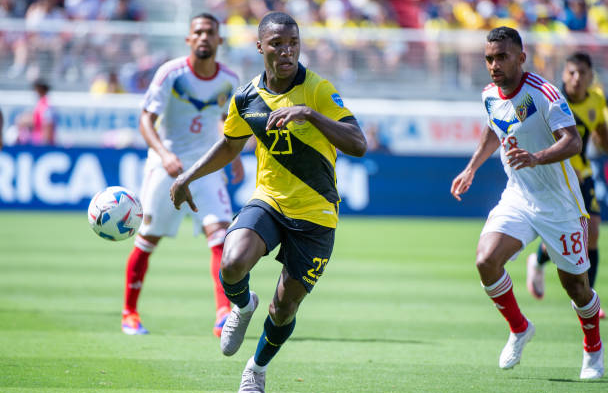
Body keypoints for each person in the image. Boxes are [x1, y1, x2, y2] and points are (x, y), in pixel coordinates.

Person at [170, 11, 366, 393]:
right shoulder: (246, 98)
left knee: (284, 308)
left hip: (316, 215)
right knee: (231, 262)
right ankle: (242, 307)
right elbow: (230, 145)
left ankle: (255, 369)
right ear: (260, 47)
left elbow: (358, 143)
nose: (286, 51)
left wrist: (309, 114)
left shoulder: (318, 90)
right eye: (277, 44)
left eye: (293, 43)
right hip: (270, 201)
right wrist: (187, 176)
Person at [451, 27, 603, 379]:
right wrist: (471, 167)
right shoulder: (490, 93)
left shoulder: (544, 93)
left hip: (560, 203)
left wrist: (536, 158)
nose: (494, 64)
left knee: (576, 287)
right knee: (486, 261)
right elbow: (494, 126)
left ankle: (593, 351)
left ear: (521, 57)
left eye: (502, 57)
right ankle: (519, 328)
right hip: (518, 196)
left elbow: (573, 141)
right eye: (489, 58)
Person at [121, 12, 244, 338]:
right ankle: (129, 313)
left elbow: (224, 119)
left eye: (210, 32)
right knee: (148, 239)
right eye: (198, 32)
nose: (204, 37)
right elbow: (145, 120)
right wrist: (164, 155)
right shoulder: (171, 74)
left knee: (220, 235)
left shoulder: (229, 78)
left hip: (206, 166)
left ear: (219, 40)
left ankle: (222, 313)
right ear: (189, 39)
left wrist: (234, 154)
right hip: (166, 166)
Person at [527, 52, 608, 320]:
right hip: (556, 177)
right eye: (571, 73)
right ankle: (537, 261)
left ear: (590, 77)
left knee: (592, 234)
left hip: (583, 176)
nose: (576, 78)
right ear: (564, 75)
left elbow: (599, 134)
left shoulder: (597, 100)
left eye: (582, 73)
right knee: (564, 238)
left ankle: (588, 301)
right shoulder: (552, 101)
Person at [17, 79, 56, 146]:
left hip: (42, 142)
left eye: (37, 89)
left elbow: (48, 125)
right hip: (37, 140)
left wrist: (46, 142)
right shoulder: (40, 104)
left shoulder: (46, 105)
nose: (35, 91)